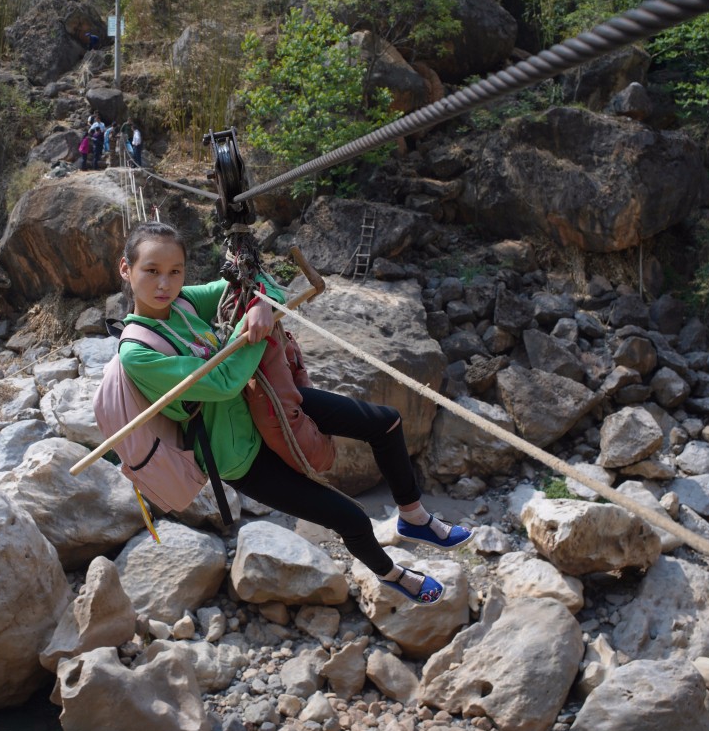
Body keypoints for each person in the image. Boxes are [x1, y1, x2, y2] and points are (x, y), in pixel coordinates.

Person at [117, 221, 472, 605]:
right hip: (239, 458)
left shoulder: (184, 302)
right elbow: (223, 383)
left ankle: (413, 516)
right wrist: (253, 329)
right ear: (127, 270)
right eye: (151, 271)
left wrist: (261, 304)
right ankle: (393, 574)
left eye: (175, 272)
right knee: (349, 518)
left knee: (385, 422)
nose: (164, 284)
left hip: (264, 406)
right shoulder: (138, 352)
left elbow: (262, 284)